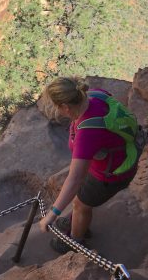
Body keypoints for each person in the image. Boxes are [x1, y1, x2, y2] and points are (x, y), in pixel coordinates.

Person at [39, 77, 140, 253]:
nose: (57, 111)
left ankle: (75, 241)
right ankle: (76, 223)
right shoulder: (95, 95)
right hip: (117, 159)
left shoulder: (87, 134)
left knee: (81, 205)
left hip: (110, 175)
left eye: (57, 107)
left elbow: (75, 178)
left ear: (65, 107)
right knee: (80, 198)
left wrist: (52, 214)